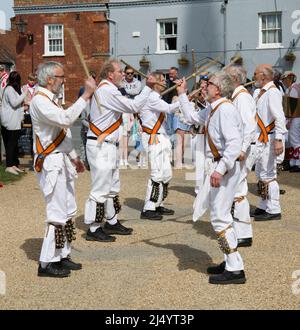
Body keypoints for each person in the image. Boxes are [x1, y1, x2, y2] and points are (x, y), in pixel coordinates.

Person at [177, 72, 246, 285]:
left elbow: (234, 144)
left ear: (219, 89)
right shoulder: (214, 108)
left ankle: (235, 268)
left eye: (210, 84)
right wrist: (182, 94)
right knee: (221, 215)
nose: (205, 87)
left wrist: (220, 169)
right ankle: (230, 260)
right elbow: (191, 118)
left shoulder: (224, 110)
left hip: (222, 169)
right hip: (220, 167)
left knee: (219, 217)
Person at [30, 61, 96, 278]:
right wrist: (85, 95)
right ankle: (46, 263)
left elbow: (63, 136)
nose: (63, 80)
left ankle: (62, 255)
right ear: (50, 79)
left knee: (68, 211)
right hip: (50, 163)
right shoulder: (40, 101)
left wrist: (75, 158)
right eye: (61, 77)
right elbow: (66, 120)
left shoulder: (51, 100)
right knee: (56, 213)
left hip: (62, 162)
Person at [84, 58, 156, 242]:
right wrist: (147, 87)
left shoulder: (109, 89)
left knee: (112, 186)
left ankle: (112, 220)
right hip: (101, 145)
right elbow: (133, 106)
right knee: (100, 187)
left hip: (108, 144)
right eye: (119, 71)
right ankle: (93, 228)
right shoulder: (107, 90)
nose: (123, 74)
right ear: (110, 74)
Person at [139, 71, 180, 220]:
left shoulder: (156, 98)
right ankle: (148, 208)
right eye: (162, 80)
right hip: (153, 137)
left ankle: (158, 203)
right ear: (155, 83)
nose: (165, 83)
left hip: (161, 137)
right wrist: (184, 97)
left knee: (166, 173)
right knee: (156, 173)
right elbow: (170, 108)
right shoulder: (151, 98)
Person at [226, 65, 257, 248]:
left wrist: (242, 149)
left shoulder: (242, 97)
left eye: (226, 78)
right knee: (237, 189)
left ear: (235, 79)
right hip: (240, 148)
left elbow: (249, 126)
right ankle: (240, 230)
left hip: (243, 150)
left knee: (238, 191)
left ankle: (243, 233)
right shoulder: (237, 96)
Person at [251, 64, 287, 221]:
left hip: (271, 137)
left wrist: (279, 139)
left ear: (263, 76)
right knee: (260, 172)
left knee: (268, 173)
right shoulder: (260, 92)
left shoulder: (273, 92)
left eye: (255, 73)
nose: (253, 77)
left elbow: (279, 117)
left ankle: (274, 209)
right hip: (260, 137)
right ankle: (263, 204)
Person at [0, 71, 29, 175]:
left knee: (13, 144)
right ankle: (9, 165)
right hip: (10, 121)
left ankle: (13, 165)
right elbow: (14, 103)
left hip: (13, 120)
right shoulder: (9, 90)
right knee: (11, 144)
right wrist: (25, 93)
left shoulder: (11, 90)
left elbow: (16, 104)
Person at [78, 71, 97, 170]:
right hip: (86, 127)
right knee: (84, 144)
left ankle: (93, 162)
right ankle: (86, 162)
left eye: (94, 78)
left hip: (96, 129)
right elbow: (81, 117)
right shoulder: (83, 93)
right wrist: (89, 126)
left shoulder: (98, 94)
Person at [282, 71, 300, 172]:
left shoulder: (293, 89)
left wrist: (289, 120)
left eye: (284, 80)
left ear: (289, 78)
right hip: (295, 117)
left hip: (295, 117)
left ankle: (298, 164)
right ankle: (293, 163)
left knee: (295, 140)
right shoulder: (292, 88)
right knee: (293, 140)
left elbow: (292, 107)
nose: (283, 82)